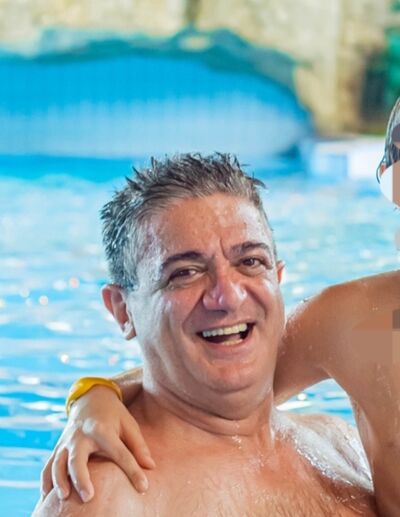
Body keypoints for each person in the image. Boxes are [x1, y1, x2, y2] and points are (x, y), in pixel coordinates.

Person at [34, 147, 400, 514]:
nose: (228, 295)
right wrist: (93, 396)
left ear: (277, 279)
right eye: (184, 273)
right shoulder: (109, 498)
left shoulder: (341, 448)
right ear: (121, 310)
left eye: (250, 261)